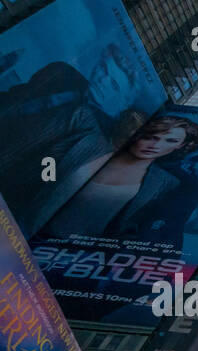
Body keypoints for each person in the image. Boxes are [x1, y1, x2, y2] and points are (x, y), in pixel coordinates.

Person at [0, 43, 145, 233]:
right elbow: (13, 98)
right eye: (103, 68)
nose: (102, 80)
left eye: (114, 84)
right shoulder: (62, 73)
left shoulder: (96, 143)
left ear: (125, 102)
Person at [41, 114, 198, 242]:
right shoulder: (88, 144)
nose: (155, 145)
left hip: (71, 253)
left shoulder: (164, 183)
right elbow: (38, 171)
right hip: (27, 230)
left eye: (170, 140)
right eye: (150, 136)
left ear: (180, 145)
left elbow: (136, 226)